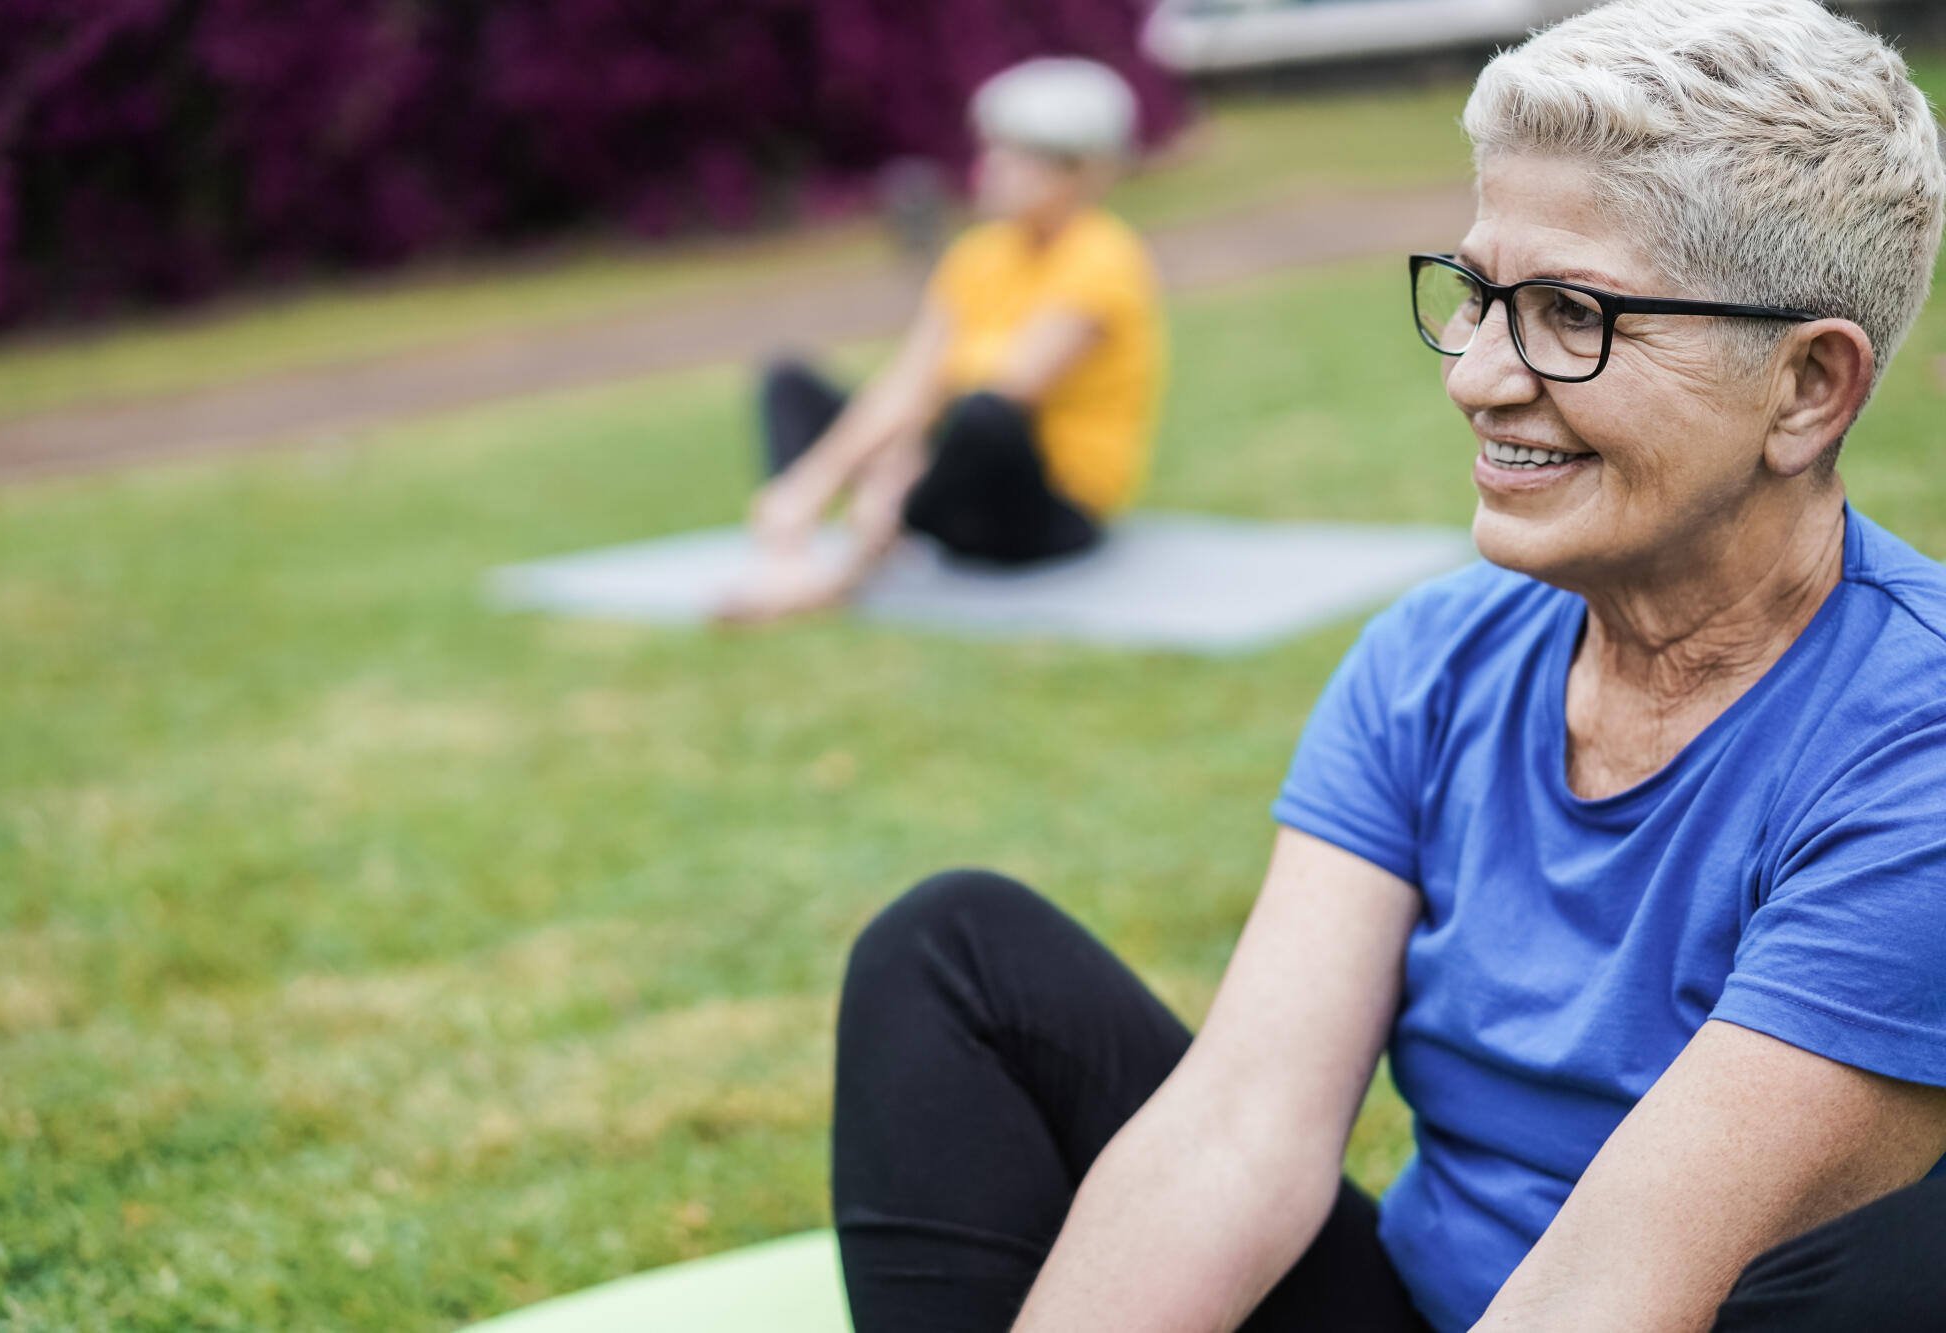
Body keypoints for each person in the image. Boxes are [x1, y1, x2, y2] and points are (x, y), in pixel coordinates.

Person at [830, 2, 1946, 1329]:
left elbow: (1615, 1290)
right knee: (953, 953)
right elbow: (1241, 1135)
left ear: (1810, 388)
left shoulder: (1913, 748)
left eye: (1571, 314)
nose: (1478, 376)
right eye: (1477, 295)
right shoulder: (1432, 659)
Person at [715, 57, 1164, 624]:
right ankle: (797, 550)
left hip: (1041, 510)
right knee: (788, 381)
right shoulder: (975, 255)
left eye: (1024, 158)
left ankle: (849, 569)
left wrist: (891, 480)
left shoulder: (1104, 260)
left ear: (1081, 173)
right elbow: (912, 379)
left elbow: (994, 395)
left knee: (985, 415)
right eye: (996, 151)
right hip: (948, 477)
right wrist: (811, 485)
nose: (996, 169)